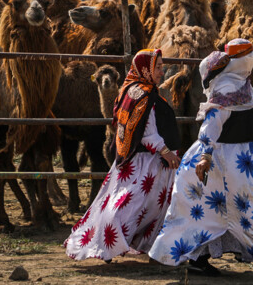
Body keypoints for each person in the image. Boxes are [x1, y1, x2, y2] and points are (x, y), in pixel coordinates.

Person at [148, 39, 253, 282]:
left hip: (244, 163)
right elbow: (212, 123)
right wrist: (206, 156)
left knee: (230, 211)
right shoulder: (227, 89)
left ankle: (205, 261)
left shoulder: (244, 85)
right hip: (224, 163)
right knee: (247, 210)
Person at [65, 49, 182, 262]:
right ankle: (106, 244)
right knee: (129, 206)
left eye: (161, 66)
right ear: (145, 69)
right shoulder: (142, 94)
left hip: (142, 164)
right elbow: (146, 130)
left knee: (138, 207)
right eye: (157, 67)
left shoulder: (136, 89)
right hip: (144, 165)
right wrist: (165, 152)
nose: (161, 71)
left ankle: (132, 245)